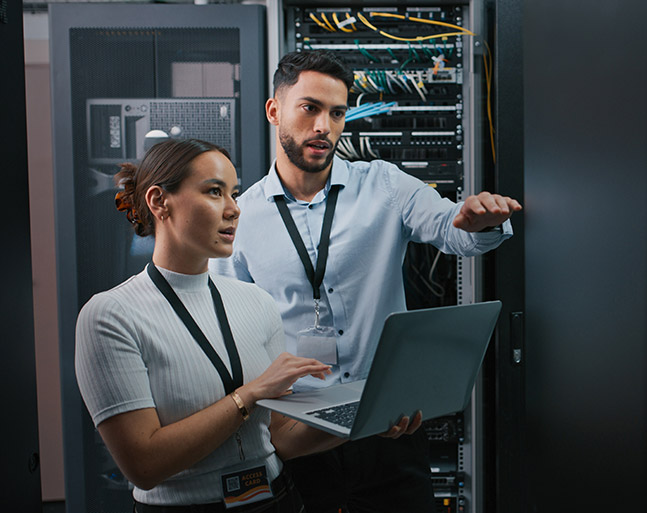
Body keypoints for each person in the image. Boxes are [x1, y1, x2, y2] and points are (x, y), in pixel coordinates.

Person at [211, 50, 522, 513]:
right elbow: (229, 329)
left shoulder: (385, 185)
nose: (325, 126)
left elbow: (449, 228)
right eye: (310, 108)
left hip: (388, 426)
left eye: (337, 113)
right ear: (275, 111)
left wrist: (476, 221)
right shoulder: (242, 215)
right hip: (299, 432)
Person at [75, 138, 416, 513]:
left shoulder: (256, 301)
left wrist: (366, 419)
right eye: (214, 192)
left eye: (234, 194)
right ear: (159, 202)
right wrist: (248, 395)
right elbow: (144, 466)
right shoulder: (110, 316)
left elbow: (281, 440)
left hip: (278, 498)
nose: (234, 209)